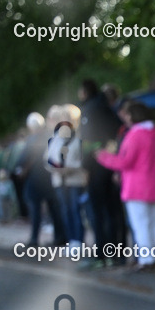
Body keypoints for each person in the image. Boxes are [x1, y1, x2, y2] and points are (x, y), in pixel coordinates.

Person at [96, 100, 155, 273]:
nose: (125, 117)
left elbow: (125, 161)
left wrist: (103, 157)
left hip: (137, 186)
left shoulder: (135, 135)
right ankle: (154, 259)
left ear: (132, 116)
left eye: (127, 114)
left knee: (140, 225)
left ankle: (146, 260)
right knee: (154, 225)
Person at [78, 78, 127, 267]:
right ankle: (117, 254)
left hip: (98, 167)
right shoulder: (109, 110)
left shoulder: (90, 109)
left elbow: (88, 142)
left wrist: (86, 167)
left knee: (98, 212)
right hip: (111, 167)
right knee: (114, 211)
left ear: (84, 91)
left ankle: (101, 252)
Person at [15, 112, 66, 247]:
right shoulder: (49, 136)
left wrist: (18, 168)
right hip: (49, 178)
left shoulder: (32, 139)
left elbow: (22, 158)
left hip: (34, 180)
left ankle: (34, 239)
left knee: (35, 211)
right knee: (54, 210)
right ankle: (60, 237)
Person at [45, 105, 88, 251]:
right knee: (65, 210)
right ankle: (71, 241)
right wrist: (54, 167)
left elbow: (83, 160)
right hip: (59, 180)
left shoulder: (80, 138)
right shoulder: (56, 138)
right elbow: (48, 158)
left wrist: (70, 168)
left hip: (74, 180)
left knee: (75, 210)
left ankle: (79, 241)